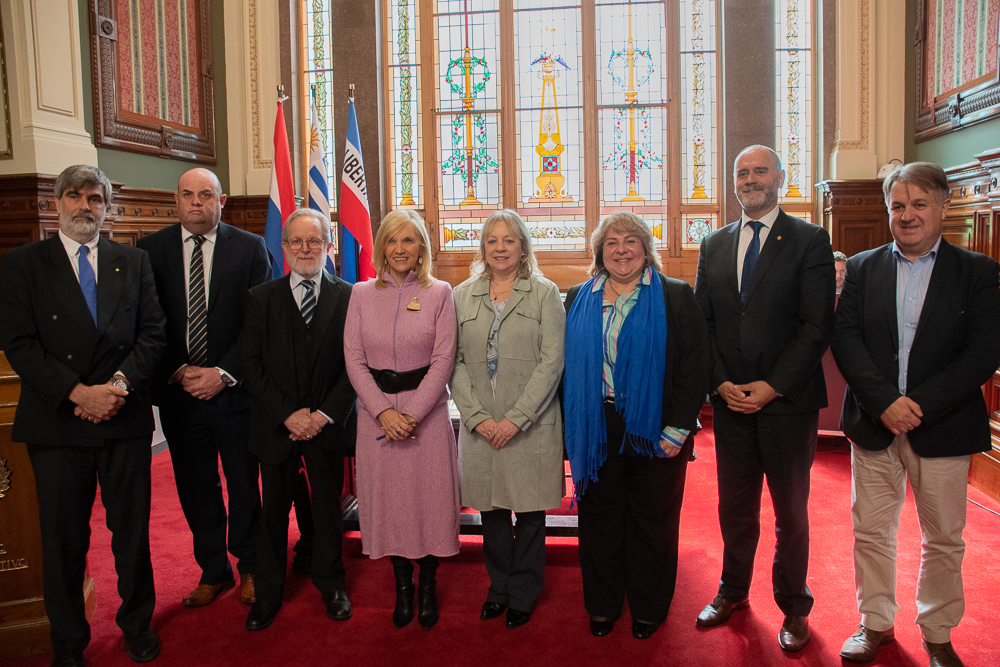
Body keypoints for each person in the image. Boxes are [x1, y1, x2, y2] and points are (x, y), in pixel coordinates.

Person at [832, 162, 1000, 667]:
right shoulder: (862, 268)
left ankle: (938, 632)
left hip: (943, 426)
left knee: (944, 537)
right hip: (874, 423)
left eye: (919, 204)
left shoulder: (978, 272)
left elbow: (983, 352)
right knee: (871, 531)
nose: (907, 215)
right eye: (898, 206)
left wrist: (919, 406)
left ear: (944, 206)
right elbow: (846, 339)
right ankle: (875, 622)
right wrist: (884, 402)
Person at [0, 165, 167, 666]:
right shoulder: (24, 263)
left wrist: (115, 389)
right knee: (63, 539)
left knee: (132, 532)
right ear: (57, 203)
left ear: (106, 207)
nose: (84, 207)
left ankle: (137, 625)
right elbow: (19, 343)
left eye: (94, 199)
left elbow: (153, 333)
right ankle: (69, 641)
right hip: (57, 421)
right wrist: (78, 393)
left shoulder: (132, 261)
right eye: (74, 197)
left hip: (123, 415)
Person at [693, 145, 835, 651]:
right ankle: (732, 590)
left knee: (791, 512)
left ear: (780, 176)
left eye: (759, 171)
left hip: (788, 404)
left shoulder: (810, 240)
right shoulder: (713, 244)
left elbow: (817, 326)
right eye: (741, 173)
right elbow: (703, 323)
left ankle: (795, 606)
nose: (750, 179)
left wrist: (772, 386)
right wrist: (720, 383)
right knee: (735, 508)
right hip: (730, 402)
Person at [564, 211, 709, 640]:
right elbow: (564, 370)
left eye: (631, 241)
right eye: (611, 242)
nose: (621, 249)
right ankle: (604, 604)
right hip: (596, 426)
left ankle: (648, 606)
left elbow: (695, 366)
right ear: (599, 252)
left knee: (653, 519)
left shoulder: (676, 296)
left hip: (657, 425)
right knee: (600, 519)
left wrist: (679, 428)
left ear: (647, 248)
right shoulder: (578, 297)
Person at [136, 168, 269, 608]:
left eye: (206, 195)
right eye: (188, 194)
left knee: (243, 483)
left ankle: (249, 565)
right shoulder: (150, 251)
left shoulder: (249, 248)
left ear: (222, 200)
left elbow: (258, 324)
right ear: (177, 199)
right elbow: (147, 322)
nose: (196, 202)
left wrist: (222, 373)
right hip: (179, 394)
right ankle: (213, 570)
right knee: (196, 486)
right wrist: (177, 370)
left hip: (233, 395)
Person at [240, 208, 357, 631]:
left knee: (328, 511)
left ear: (329, 246)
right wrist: (288, 415)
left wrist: (323, 415)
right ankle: (268, 593)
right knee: (273, 512)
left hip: (328, 425)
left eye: (315, 241)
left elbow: (355, 365)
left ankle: (331, 584)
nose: (306, 249)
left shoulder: (350, 296)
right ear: (284, 247)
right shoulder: (259, 298)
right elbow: (250, 366)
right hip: (276, 426)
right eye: (297, 242)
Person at [343, 209, 459, 630]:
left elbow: (444, 360)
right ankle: (402, 586)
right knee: (389, 505)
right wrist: (383, 412)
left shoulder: (440, 292)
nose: (399, 249)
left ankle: (427, 583)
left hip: (425, 419)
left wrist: (408, 414)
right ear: (381, 247)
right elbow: (354, 361)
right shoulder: (359, 293)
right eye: (392, 240)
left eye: (408, 240)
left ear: (421, 247)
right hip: (376, 417)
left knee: (427, 503)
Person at [451, 210, 566, 630]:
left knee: (531, 514)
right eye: (492, 240)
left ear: (523, 247)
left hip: (530, 425)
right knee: (492, 513)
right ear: (483, 248)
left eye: (509, 240)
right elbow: (453, 362)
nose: (500, 248)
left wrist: (516, 419)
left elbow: (552, 362)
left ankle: (523, 592)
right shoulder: (461, 295)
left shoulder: (545, 293)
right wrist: (479, 418)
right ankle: (498, 587)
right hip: (481, 428)